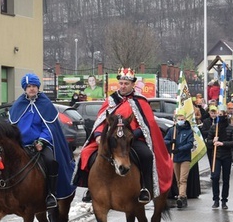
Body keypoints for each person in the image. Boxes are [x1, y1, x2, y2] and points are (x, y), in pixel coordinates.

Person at [75, 68, 173, 204]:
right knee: (86, 153)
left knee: (147, 156)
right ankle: (90, 188)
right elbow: (101, 120)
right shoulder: (110, 101)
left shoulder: (140, 101)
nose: (123, 86)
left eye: (126, 84)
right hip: (112, 139)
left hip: (132, 139)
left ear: (133, 84)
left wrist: (132, 135)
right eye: (121, 83)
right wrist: (98, 135)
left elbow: (147, 124)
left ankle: (145, 188)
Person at [10, 73, 75, 209]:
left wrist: (42, 141)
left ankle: (51, 194)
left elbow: (49, 127)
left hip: (40, 144)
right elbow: (13, 126)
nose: (31, 89)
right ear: (25, 88)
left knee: (51, 162)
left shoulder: (45, 104)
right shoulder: (18, 105)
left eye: (34, 86)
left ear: (38, 87)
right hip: (21, 145)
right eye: (29, 86)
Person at [206, 108, 233, 209]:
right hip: (216, 156)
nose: (219, 116)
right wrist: (212, 141)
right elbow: (208, 141)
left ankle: (224, 200)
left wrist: (223, 143)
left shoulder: (231, 128)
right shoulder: (214, 128)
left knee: (225, 179)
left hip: (227, 156)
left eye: (221, 114)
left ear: (225, 116)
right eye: (218, 114)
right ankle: (216, 199)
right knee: (215, 177)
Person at [164, 110, 194, 209]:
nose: (180, 121)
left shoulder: (189, 131)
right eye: (179, 119)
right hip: (175, 158)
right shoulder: (172, 130)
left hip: (185, 157)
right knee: (177, 180)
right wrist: (170, 142)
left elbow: (190, 144)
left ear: (185, 120)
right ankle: (183, 196)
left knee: (183, 179)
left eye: (182, 119)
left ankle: (181, 196)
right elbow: (164, 140)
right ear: (176, 120)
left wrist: (179, 149)